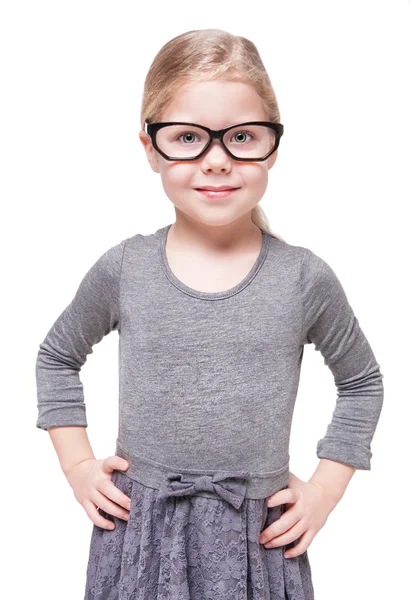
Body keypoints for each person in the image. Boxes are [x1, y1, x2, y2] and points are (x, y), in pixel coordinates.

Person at [35, 28, 384, 600]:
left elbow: (363, 382)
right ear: (150, 147)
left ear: (273, 146)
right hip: (140, 531)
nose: (216, 161)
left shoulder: (303, 278)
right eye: (189, 137)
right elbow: (56, 357)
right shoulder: (125, 267)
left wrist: (323, 491)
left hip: (258, 540)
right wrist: (77, 468)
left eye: (241, 136)